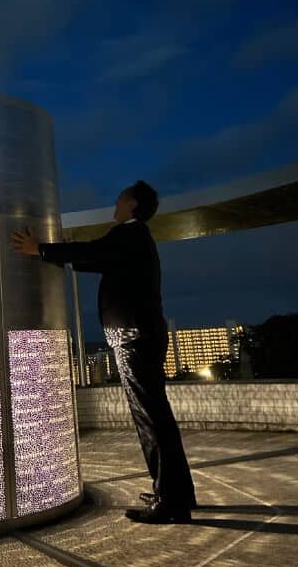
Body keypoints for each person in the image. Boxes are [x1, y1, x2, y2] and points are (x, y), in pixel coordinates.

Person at [10, 180, 197, 524]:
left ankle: (171, 502)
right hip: (142, 336)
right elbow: (95, 257)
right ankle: (177, 492)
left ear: (133, 204)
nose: (116, 199)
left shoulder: (129, 235)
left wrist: (41, 249)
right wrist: (53, 252)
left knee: (150, 418)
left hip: (133, 337)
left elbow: (90, 252)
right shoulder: (133, 239)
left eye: (122, 196)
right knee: (158, 416)